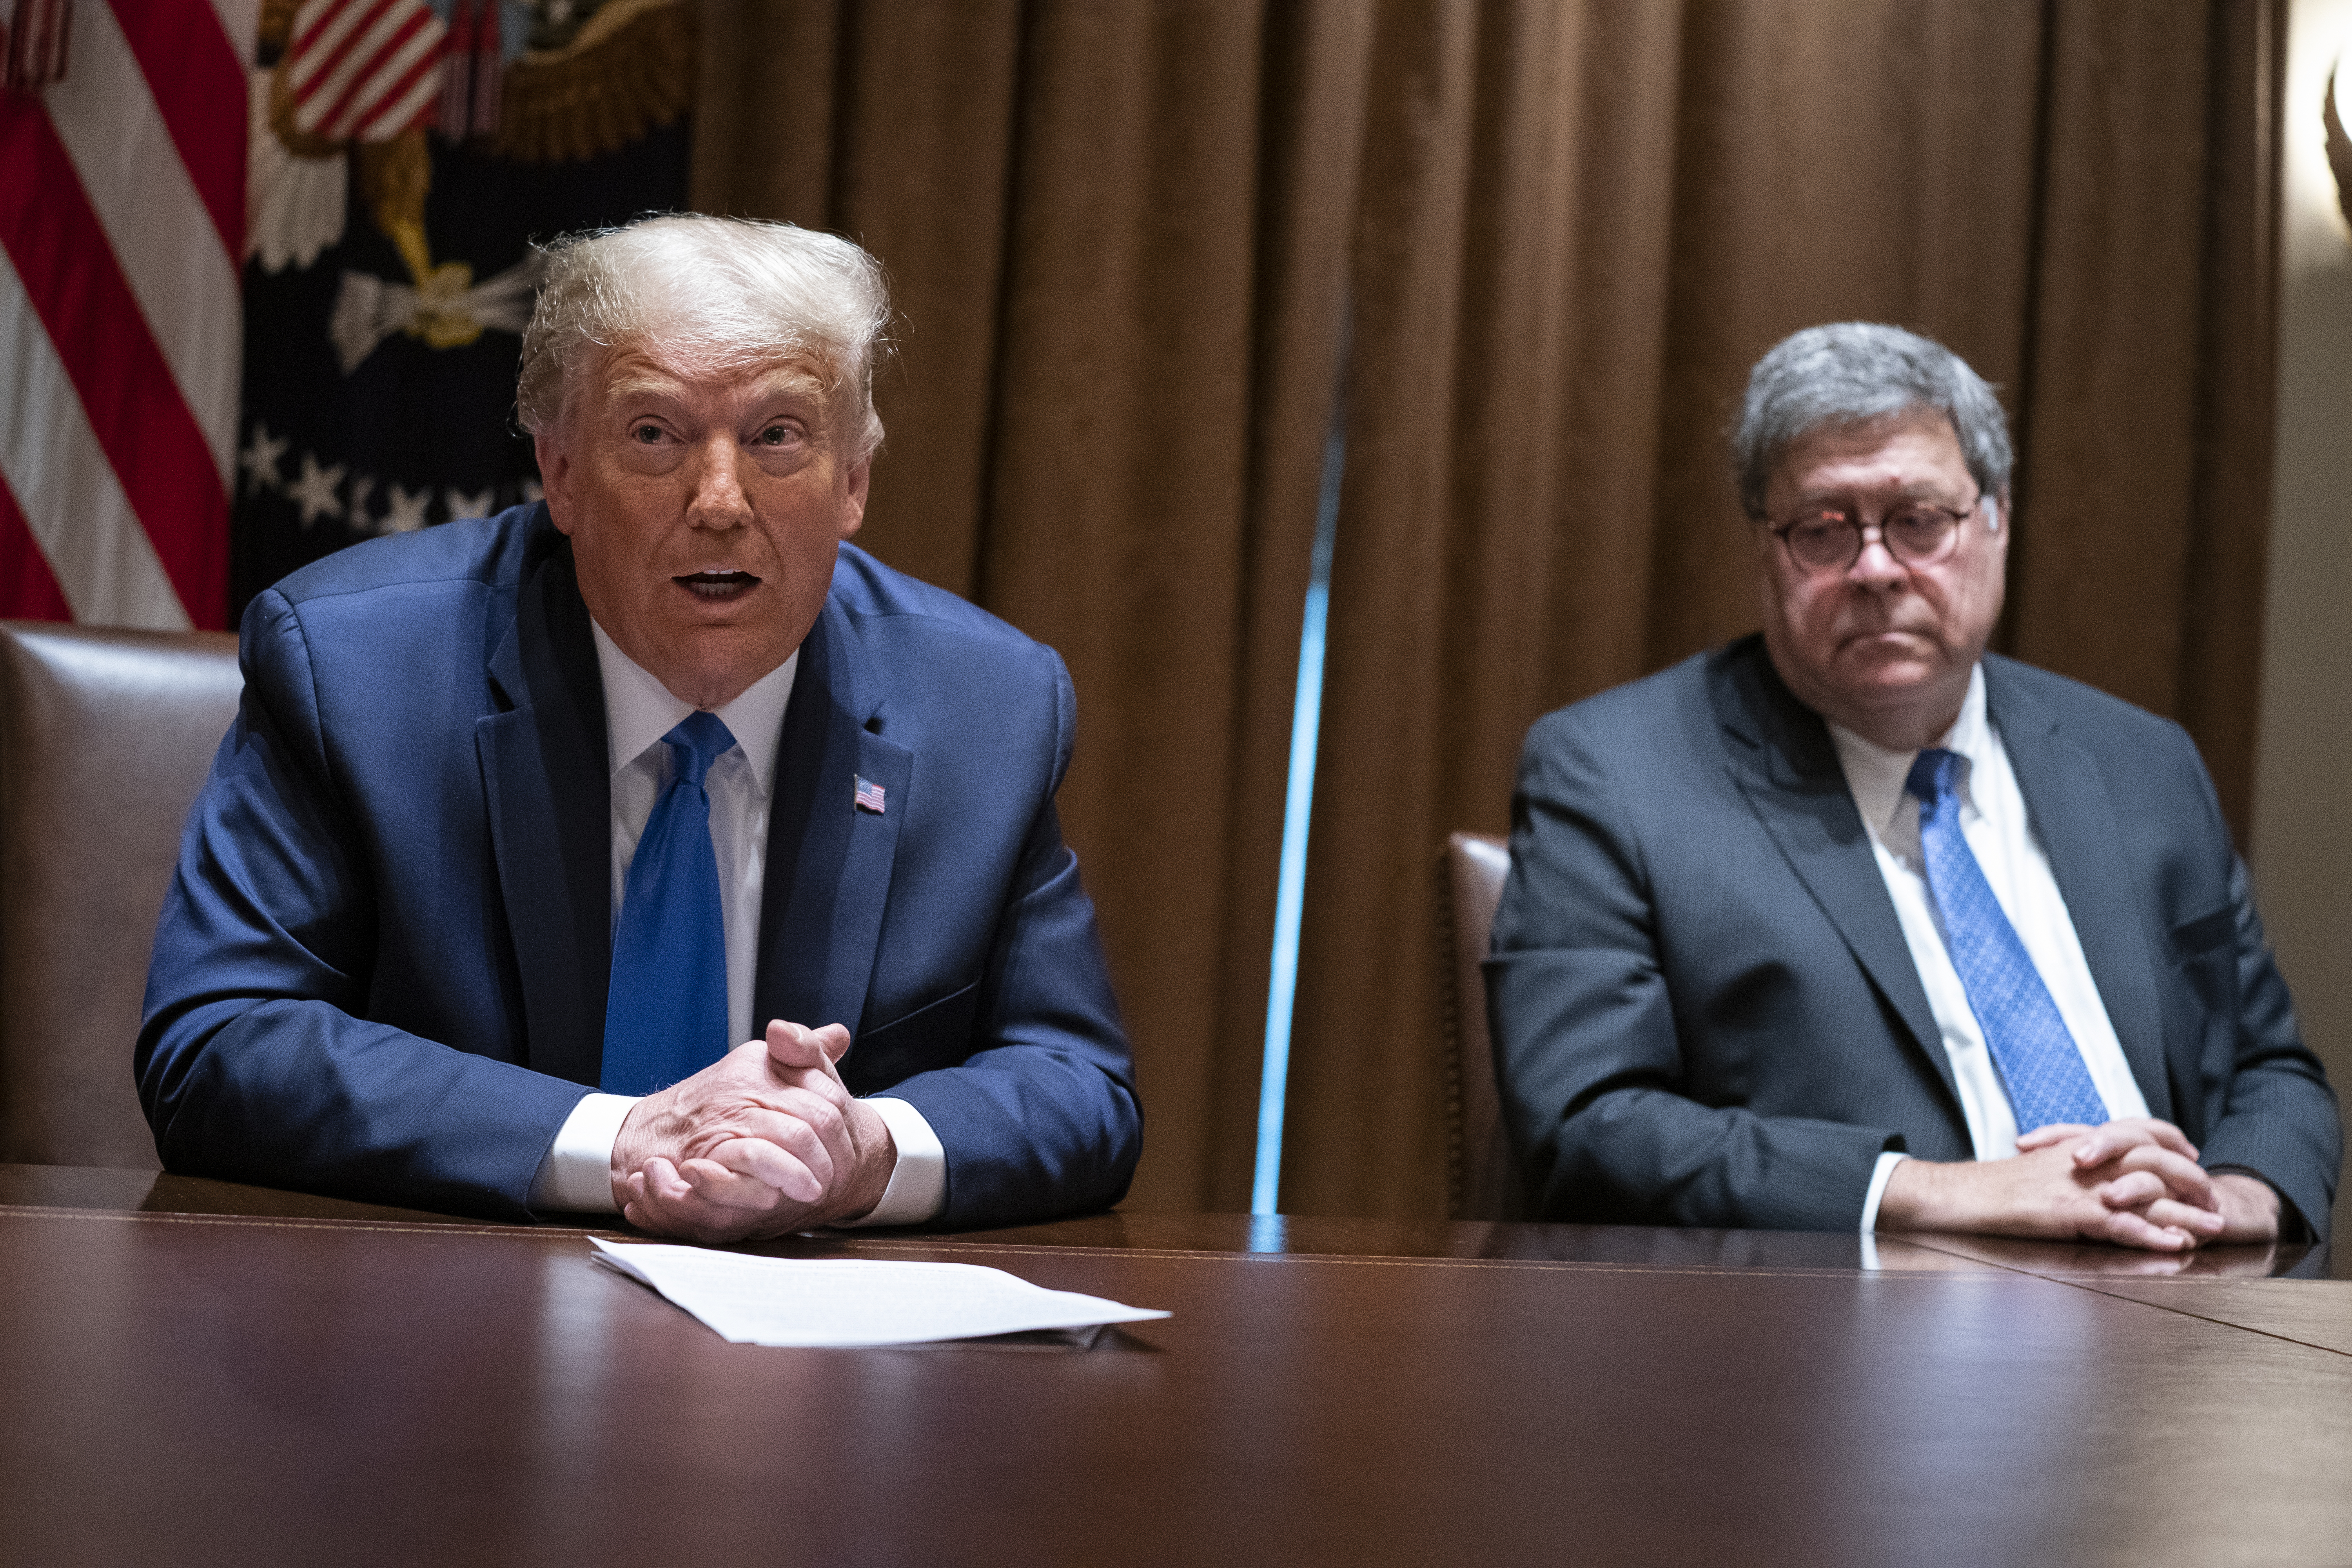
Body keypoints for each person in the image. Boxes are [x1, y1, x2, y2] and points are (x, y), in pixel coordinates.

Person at [138, 214, 1140, 1241]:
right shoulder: (354, 671)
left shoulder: (990, 705)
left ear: (854, 481)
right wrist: (621, 1140)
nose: (719, 502)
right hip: (442, 1335)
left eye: (778, 437)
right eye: (654, 434)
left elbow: (1078, 1087)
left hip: (817, 1361)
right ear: (561, 470)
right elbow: (221, 1042)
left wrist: (863, 1153)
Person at [1488, 322, 2339, 1249]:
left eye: (1921, 520)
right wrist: (1936, 1191)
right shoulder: (1615, 774)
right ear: (1765, 547)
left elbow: (2271, 1068)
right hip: (1850, 1348)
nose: (1878, 568)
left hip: (2188, 1320)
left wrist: (2239, 1193)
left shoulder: (2143, 762)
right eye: (1822, 529)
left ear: (1997, 518)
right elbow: (1587, 1124)